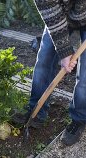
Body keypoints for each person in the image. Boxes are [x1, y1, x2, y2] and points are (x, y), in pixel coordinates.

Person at [13, 0, 86, 146]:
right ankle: (36, 110)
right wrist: (65, 53)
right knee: (45, 59)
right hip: (60, 16)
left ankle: (79, 118)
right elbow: (50, 11)